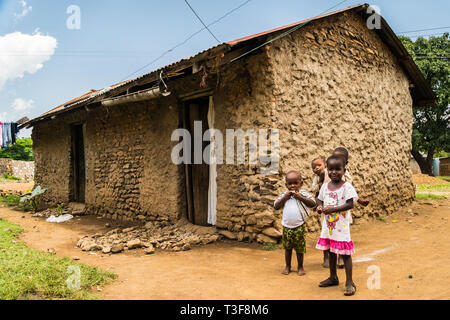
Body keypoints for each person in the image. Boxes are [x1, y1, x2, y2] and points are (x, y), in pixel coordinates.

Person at [315, 155, 358, 296]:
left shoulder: (347, 187)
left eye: (338, 169)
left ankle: (349, 282)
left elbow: (350, 204)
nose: (334, 172)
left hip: (341, 227)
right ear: (327, 170)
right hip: (328, 227)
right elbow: (319, 199)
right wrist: (320, 207)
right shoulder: (325, 187)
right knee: (331, 251)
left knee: (345, 254)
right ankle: (333, 277)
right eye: (331, 169)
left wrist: (332, 209)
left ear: (344, 170)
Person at [274, 170, 316, 276]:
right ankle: (288, 266)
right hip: (287, 226)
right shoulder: (285, 195)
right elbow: (276, 206)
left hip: (299, 226)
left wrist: (300, 197)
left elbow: (313, 203)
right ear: (286, 185)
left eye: (295, 183)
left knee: (299, 248)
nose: (292, 186)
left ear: (300, 183)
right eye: (290, 183)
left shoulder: (303, 193)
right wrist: (284, 198)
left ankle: (300, 267)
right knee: (287, 248)